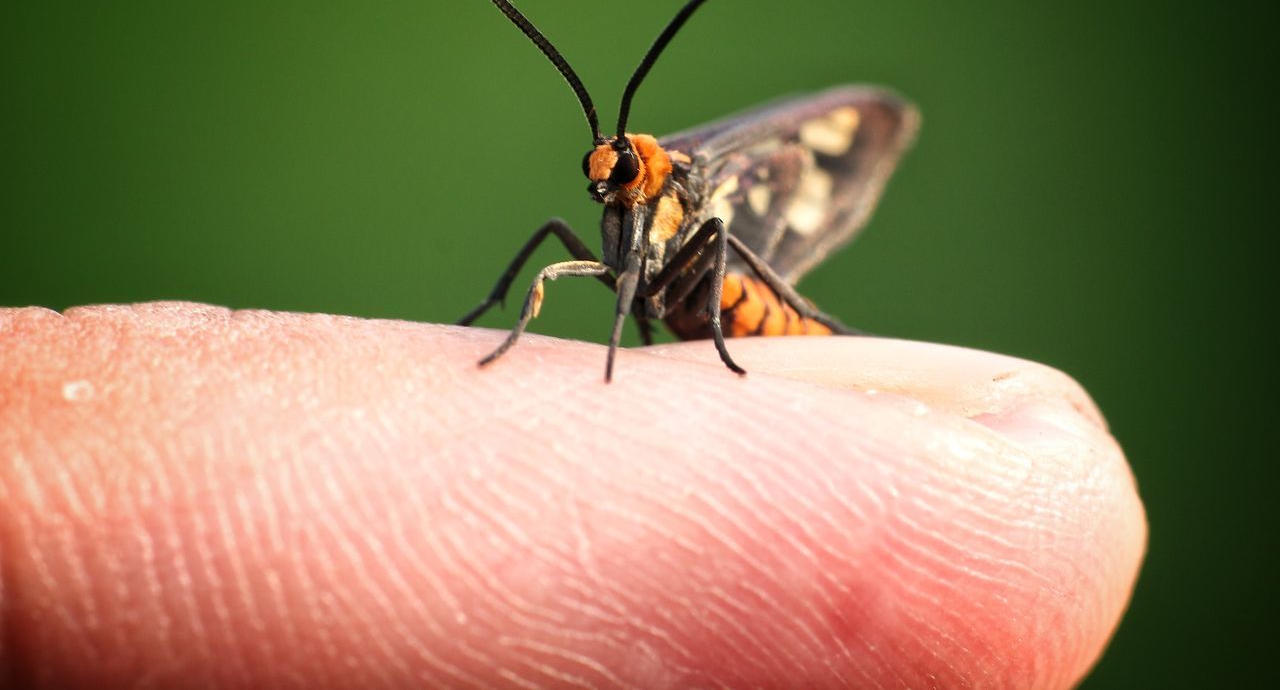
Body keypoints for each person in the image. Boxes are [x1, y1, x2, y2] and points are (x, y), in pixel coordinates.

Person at [0, 302, 1146, 688]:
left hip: (750, 306)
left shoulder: (686, 203)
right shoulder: (601, 220)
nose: (605, 186)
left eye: (622, 175)